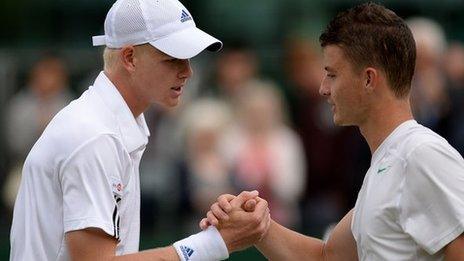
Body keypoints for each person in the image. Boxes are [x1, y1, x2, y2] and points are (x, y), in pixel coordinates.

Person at [9, 0, 270, 260]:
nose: (187, 71)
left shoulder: (104, 126)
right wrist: (215, 243)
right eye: (173, 59)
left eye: (187, 58)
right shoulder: (96, 136)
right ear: (130, 58)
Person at [201, 3, 464, 260]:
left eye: (332, 74)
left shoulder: (420, 154)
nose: (323, 88)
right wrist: (258, 227)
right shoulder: (389, 162)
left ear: (369, 79)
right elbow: (326, 257)